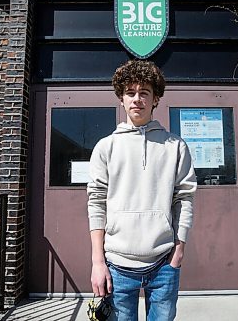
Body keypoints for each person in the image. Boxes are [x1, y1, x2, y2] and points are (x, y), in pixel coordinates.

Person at [87, 59, 197, 321]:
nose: (137, 99)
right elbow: (96, 203)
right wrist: (97, 262)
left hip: (164, 263)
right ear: (121, 99)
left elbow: (184, 198)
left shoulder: (175, 146)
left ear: (155, 98)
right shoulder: (105, 147)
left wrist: (179, 248)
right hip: (116, 264)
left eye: (144, 92)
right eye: (130, 92)